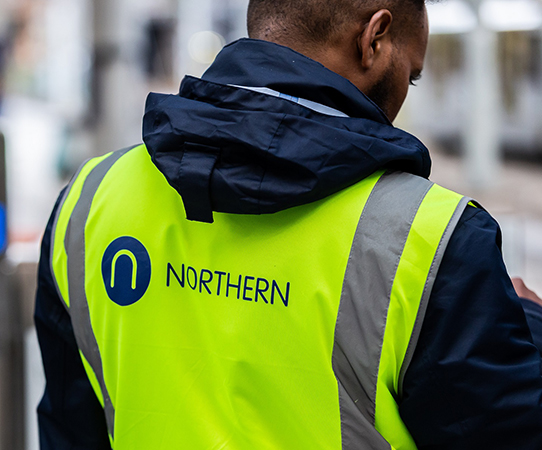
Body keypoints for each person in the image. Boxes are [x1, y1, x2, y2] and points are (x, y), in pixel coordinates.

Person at [34, 0, 542, 448]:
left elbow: (71, 427)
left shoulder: (90, 201)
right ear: (374, 39)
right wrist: (524, 327)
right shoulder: (431, 244)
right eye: (410, 75)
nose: (406, 93)